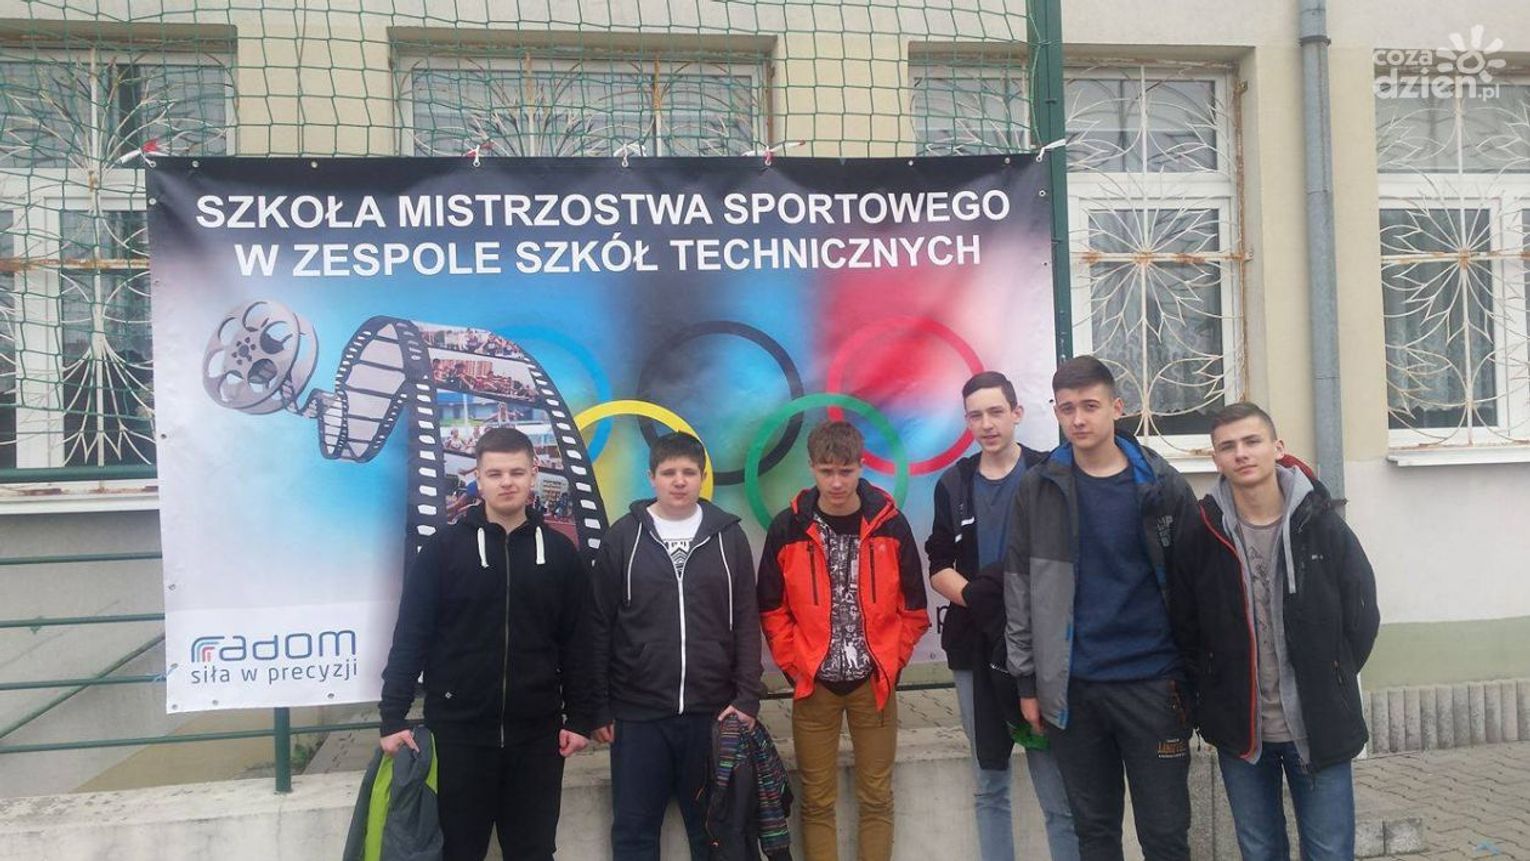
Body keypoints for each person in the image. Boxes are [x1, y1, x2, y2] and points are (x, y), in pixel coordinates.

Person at [1003, 355, 1199, 861]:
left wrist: (1196, 677)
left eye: (1090, 406)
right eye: (1067, 408)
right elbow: (1019, 590)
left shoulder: (1162, 484)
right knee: (1094, 836)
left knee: (1165, 836)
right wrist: (1027, 683)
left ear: (1117, 407)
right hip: (1075, 691)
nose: (1078, 419)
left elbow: (1197, 589)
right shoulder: (1038, 488)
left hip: (1153, 685)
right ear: (1056, 412)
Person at [1170, 402, 1380, 861]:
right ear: (1216, 459)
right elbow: (1185, 627)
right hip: (1243, 734)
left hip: (1318, 725)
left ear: (1277, 447)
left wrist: (1333, 673)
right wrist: (1210, 692)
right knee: (1260, 850)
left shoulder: (1321, 524)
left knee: (1329, 852)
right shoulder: (1202, 534)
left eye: (1252, 441)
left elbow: (1362, 615)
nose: (1241, 453)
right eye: (1228, 446)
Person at [378, 427, 597, 861]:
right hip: (457, 735)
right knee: (459, 852)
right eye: (495, 473)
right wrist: (392, 717)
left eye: (516, 472)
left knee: (533, 852)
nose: (507, 482)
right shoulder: (442, 550)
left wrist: (581, 717)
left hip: (537, 738)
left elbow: (578, 643)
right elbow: (411, 636)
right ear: (477, 477)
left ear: (533, 474)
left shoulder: (560, 553)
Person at [757, 420, 930, 861]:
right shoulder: (788, 527)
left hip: (874, 686)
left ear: (861, 466)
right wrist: (795, 664)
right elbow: (772, 608)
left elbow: (914, 608)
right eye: (827, 471)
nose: (836, 482)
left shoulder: (890, 525)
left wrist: (891, 660)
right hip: (814, 686)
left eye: (846, 471)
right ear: (811, 467)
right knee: (817, 801)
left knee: (877, 797)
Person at [587, 431, 763, 861]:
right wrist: (599, 706)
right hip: (638, 715)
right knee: (634, 833)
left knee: (713, 832)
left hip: (712, 713)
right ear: (652, 477)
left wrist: (746, 698)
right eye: (669, 473)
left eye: (688, 472)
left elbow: (746, 619)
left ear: (702, 477)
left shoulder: (728, 537)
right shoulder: (623, 537)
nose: (679, 481)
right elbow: (599, 625)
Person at [927, 371, 1078, 861]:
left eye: (996, 412)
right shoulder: (954, 483)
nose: (987, 424)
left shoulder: (1049, 473)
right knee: (989, 781)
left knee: (1056, 788)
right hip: (975, 646)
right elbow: (938, 566)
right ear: (966, 422)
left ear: (1017, 413)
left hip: (1043, 647)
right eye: (976, 416)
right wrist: (982, 599)